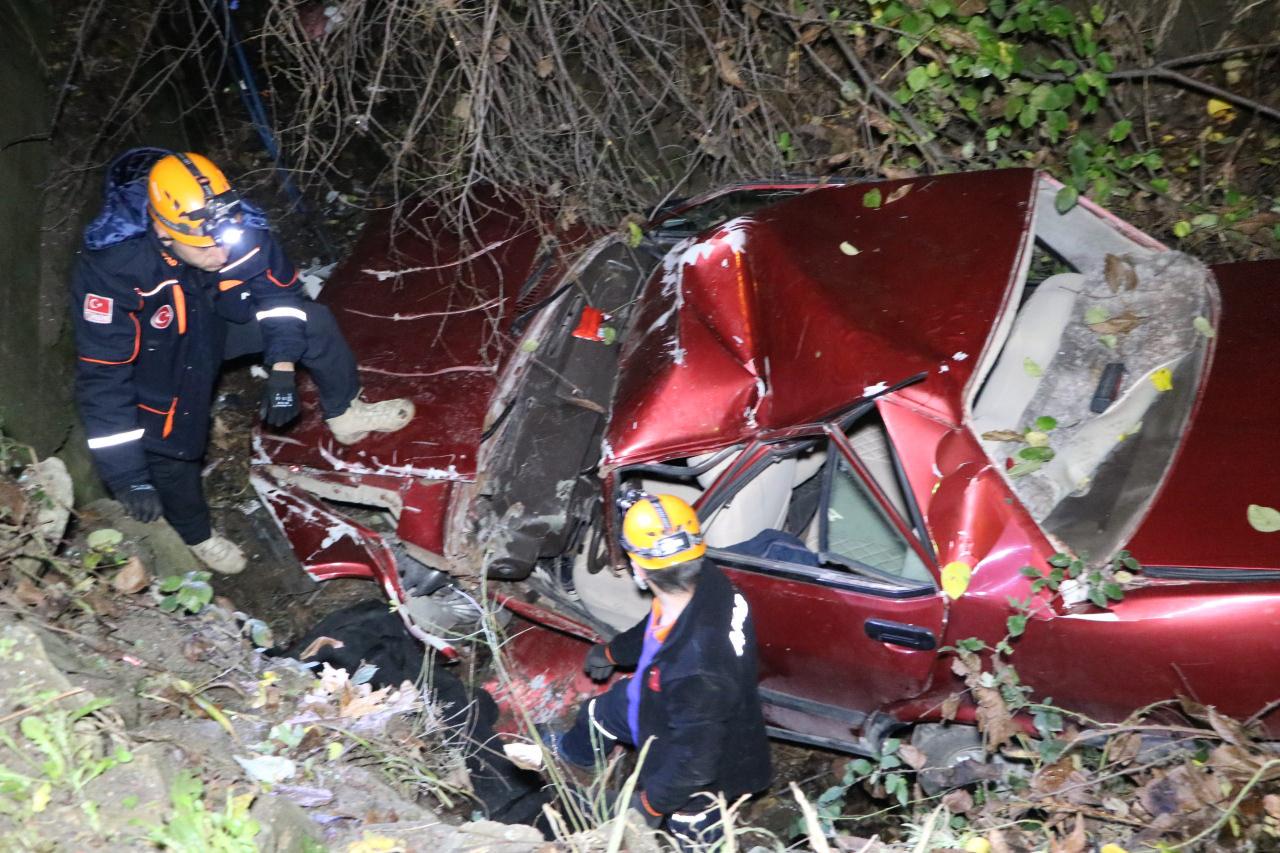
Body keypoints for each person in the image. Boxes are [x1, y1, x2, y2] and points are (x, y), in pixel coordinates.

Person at [71, 149, 415, 574]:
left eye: (225, 241)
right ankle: (197, 534)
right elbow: (104, 377)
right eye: (204, 247)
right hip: (163, 357)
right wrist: (125, 475)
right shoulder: (115, 269)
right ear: (163, 231)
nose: (220, 254)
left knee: (312, 323)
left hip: (217, 324)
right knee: (173, 450)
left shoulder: (238, 227)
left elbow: (279, 297)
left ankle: (345, 412)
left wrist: (283, 368)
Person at [551, 491, 771, 847]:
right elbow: (653, 624)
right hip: (653, 701)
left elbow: (696, 761)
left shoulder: (698, 669)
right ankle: (572, 758)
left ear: (638, 568)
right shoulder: (709, 582)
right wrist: (612, 652)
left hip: (703, 753)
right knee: (597, 714)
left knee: (692, 825)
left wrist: (652, 803)